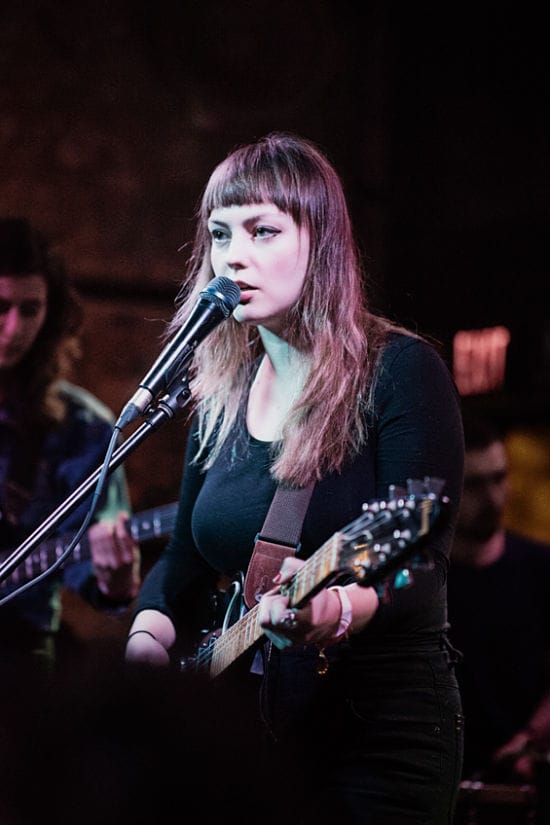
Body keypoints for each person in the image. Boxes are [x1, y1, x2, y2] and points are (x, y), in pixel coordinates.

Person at [125, 132, 465, 824]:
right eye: (220, 233)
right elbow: (187, 556)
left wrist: (333, 610)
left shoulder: (399, 372)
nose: (234, 255)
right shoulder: (222, 390)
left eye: (263, 229)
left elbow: (419, 562)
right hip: (256, 729)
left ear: (322, 242)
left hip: (378, 731)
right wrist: (148, 635)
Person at [0, 217, 140, 676]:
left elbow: (99, 575)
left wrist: (116, 579)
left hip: (17, 661)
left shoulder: (82, 429)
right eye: (1, 307)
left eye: (31, 309)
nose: (14, 328)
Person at [447, 409, 550, 821]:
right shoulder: (422, 580)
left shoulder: (540, 568)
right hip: (444, 784)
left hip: (519, 785)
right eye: (474, 484)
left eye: (499, 478)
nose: (493, 499)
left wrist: (531, 737)